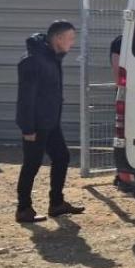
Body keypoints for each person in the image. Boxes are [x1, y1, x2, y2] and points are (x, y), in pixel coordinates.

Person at [15, 21, 84, 223]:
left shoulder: (52, 57)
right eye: (70, 38)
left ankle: (56, 204)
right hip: (36, 124)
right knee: (31, 165)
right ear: (58, 38)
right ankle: (23, 209)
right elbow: (26, 97)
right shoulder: (33, 60)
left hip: (51, 121)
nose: (72, 43)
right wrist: (27, 128)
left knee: (62, 157)